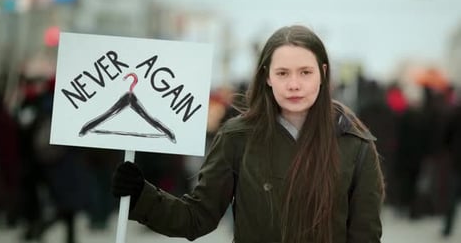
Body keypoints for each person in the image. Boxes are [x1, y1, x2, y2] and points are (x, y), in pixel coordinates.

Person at [111, 25, 385, 243]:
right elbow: (197, 217)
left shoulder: (354, 143)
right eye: (282, 73)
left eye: (305, 72)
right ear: (267, 76)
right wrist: (141, 195)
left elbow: (366, 236)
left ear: (323, 73)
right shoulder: (238, 137)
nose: (294, 84)